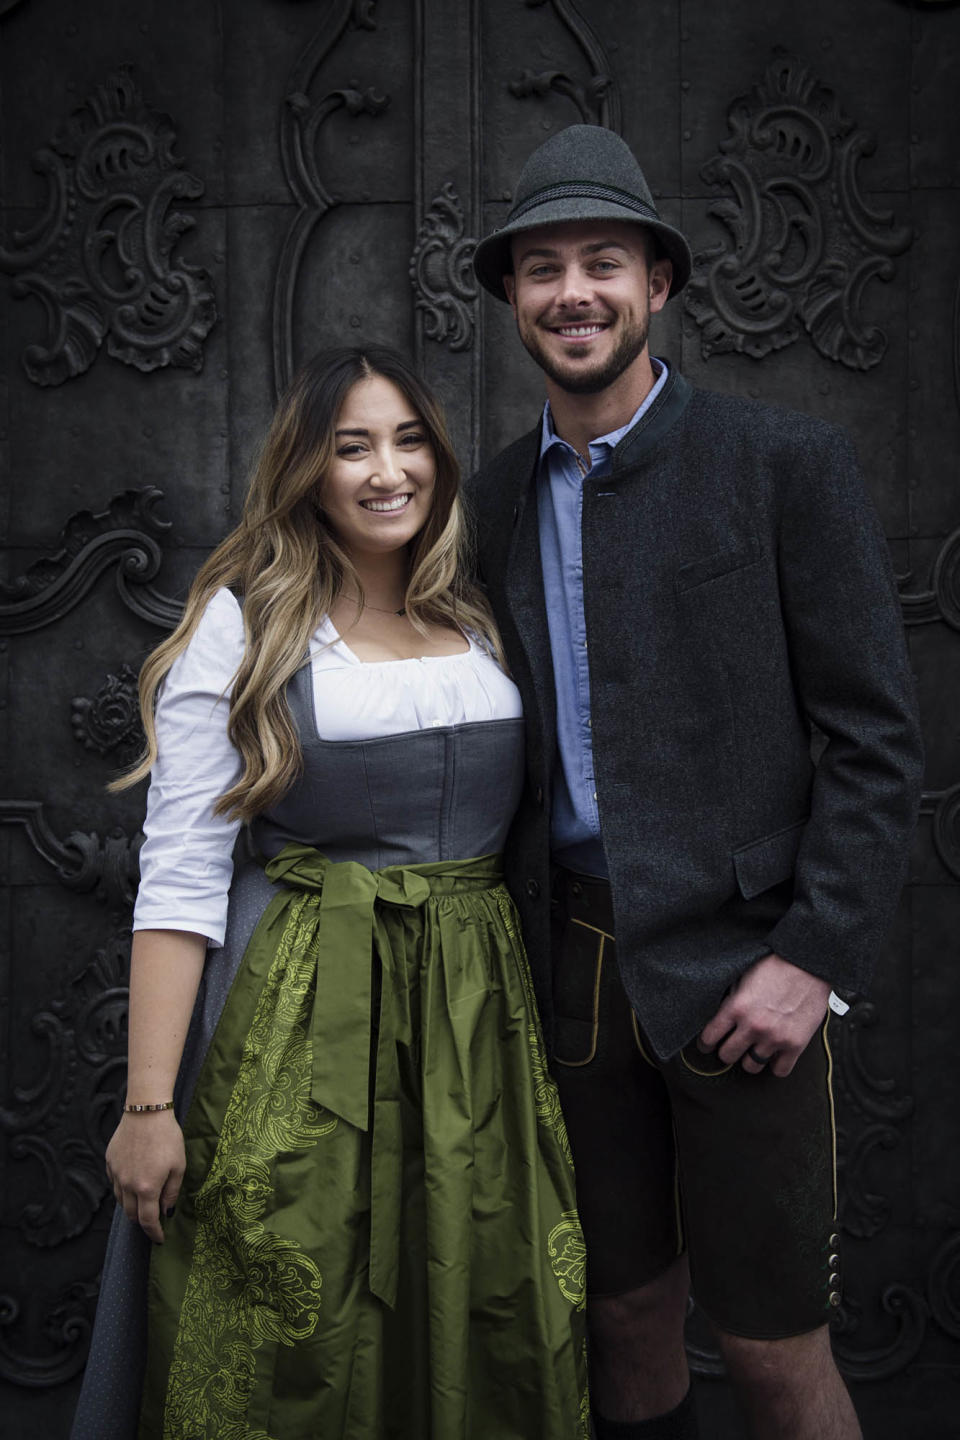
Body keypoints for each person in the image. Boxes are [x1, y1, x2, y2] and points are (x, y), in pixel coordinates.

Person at [466, 125, 923, 1440]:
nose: (573, 292)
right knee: (620, 1327)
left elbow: (877, 737)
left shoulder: (783, 464)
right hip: (568, 981)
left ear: (658, 283)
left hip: (743, 973)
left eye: (602, 261)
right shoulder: (490, 502)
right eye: (542, 267)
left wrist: (812, 956)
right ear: (513, 298)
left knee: (773, 1352)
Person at [71, 346, 588, 1440]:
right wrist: (149, 1108)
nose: (385, 471)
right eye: (351, 446)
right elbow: (178, 880)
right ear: (307, 468)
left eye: (408, 442)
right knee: (297, 1323)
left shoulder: (483, 611)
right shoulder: (245, 623)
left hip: (472, 1026)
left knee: (477, 1298)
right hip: (302, 1017)